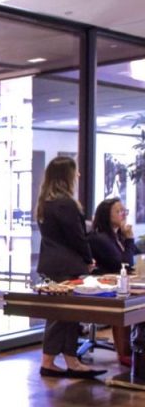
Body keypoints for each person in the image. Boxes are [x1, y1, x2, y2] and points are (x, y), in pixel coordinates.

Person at [35, 156, 105, 378]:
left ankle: (67, 360)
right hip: (67, 265)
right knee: (64, 314)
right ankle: (54, 362)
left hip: (51, 263)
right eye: (75, 171)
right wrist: (89, 259)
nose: (79, 175)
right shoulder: (66, 204)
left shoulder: (45, 203)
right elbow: (77, 237)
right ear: (66, 176)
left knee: (62, 314)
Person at [89, 197, 140, 366]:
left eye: (124, 211)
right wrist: (130, 239)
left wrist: (129, 240)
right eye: (118, 211)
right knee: (128, 302)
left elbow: (135, 256)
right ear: (106, 215)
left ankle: (134, 347)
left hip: (121, 283)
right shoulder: (100, 238)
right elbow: (124, 263)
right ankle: (124, 352)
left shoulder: (118, 236)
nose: (123, 214)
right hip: (105, 287)